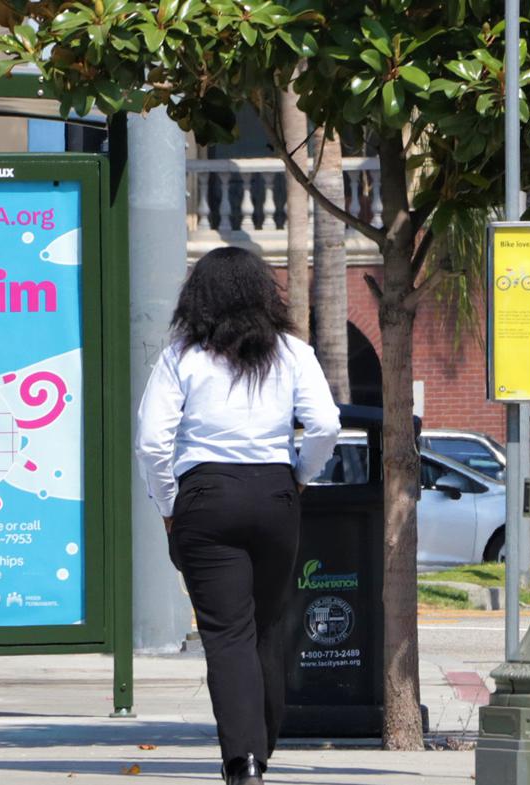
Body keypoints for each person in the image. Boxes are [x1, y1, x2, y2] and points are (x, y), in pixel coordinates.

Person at [134, 246, 341, 785]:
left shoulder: (182, 355)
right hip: (275, 492)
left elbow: (152, 442)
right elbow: (324, 425)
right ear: (262, 293)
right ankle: (261, 749)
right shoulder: (293, 351)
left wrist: (168, 505)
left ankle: (242, 762)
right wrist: (299, 475)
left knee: (227, 633)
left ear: (197, 296)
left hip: (205, 495)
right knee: (268, 625)